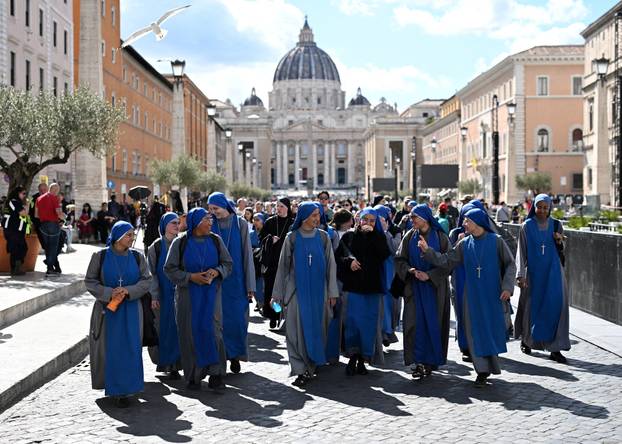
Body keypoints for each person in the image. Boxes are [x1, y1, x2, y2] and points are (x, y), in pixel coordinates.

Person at [418, 208, 516, 387]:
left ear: (477, 222)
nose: (463, 224)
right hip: (471, 297)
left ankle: (489, 366)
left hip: (492, 295)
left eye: (467, 221)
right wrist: (428, 251)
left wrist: (508, 287)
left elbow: (510, 264)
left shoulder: (496, 241)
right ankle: (482, 370)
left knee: (488, 331)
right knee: (473, 331)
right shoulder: (464, 244)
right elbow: (447, 260)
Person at [164, 207, 233, 391]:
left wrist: (216, 271)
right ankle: (193, 376)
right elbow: (169, 269)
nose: (211, 222)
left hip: (212, 295)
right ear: (196, 223)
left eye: (211, 218)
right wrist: (190, 277)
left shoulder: (216, 241)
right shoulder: (181, 243)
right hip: (188, 297)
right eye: (206, 219)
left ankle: (216, 374)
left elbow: (228, 264)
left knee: (214, 332)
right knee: (190, 334)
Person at [271, 202, 339, 387]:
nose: (318, 218)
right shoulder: (291, 238)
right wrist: (277, 294)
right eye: (314, 215)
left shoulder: (324, 237)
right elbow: (283, 267)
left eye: (319, 214)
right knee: (294, 331)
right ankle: (300, 369)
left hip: (320, 293)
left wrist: (332, 292)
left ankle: (311, 364)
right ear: (304, 216)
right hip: (296, 292)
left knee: (318, 328)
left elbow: (331, 266)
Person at [84, 221, 152, 407]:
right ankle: (115, 389)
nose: (132, 238)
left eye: (132, 235)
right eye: (129, 235)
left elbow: (147, 280)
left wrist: (128, 291)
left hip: (131, 310)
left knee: (131, 348)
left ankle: (129, 388)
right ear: (118, 237)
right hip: (108, 312)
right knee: (111, 349)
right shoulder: (100, 256)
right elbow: (90, 281)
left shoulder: (138, 257)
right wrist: (109, 293)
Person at [395, 204, 451, 379]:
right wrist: (410, 271)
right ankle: (418, 362)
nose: (411, 220)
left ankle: (430, 361)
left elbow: (449, 262)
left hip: (435, 289)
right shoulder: (409, 236)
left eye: (414, 217)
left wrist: (430, 275)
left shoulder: (441, 237)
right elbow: (399, 259)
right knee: (414, 324)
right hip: (414, 288)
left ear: (425, 218)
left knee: (434, 324)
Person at [515, 194, 570, 363]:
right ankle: (527, 340)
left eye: (545, 207)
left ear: (549, 208)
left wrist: (560, 241)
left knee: (555, 307)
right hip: (534, 274)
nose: (542, 210)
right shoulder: (527, 226)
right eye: (539, 207)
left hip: (553, 273)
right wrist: (520, 275)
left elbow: (562, 248)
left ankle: (555, 348)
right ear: (534, 207)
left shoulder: (556, 224)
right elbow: (521, 252)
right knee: (532, 307)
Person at [336, 207, 390, 375]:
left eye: (372, 220)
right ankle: (352, 356)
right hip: (353, 287)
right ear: (358, 220)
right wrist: (349, 261)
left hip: (372, 288)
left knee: (368, 324)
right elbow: (339, 257)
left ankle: (363, 358)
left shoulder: (380, 237)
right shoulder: (349, 236)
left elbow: (383, 255)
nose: (367, 223)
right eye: (364, 219)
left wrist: (373, 235)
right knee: (352, 322)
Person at [207, 192, 256, 375]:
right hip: (216, 282)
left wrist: (250, 285)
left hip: (236, 282)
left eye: (216, 208)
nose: (213, 212)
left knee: (237, 321)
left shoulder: (240, 224)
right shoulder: (210, 224)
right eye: (210, 209)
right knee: (219, 322)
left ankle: (235, 356)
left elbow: (247, 256)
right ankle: (222, 358)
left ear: (224, 206)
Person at [147, 212, 183, 380]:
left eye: (178, 223)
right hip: (162, 295)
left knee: (179, 330)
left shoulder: (183, 243)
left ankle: (178, 364)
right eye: (173, 223)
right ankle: (167, 363)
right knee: (164, 330)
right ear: (164, 226)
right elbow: (151, 274)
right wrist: (154, 296)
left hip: (181, 293)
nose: (177, 225)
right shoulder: (156, 247)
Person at [259, 198, 294, 328]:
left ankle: (283, 316)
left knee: (286, 291)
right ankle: (274, 315)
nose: (278, 209)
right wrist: (269, 239)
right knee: (272, 291)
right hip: (272, 263)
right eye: (277, 206)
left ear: (287, 208)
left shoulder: (292, 223)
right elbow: (260, 238)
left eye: (281, 206)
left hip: (287, 262)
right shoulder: (270, 222)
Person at [374, 204, 402, 347]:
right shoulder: (372, 230)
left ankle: (389, 330)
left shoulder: (395, 230)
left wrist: (386, 232)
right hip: (377, 271)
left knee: (391, 303)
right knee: (381, 302)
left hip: (391, 272)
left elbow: (395, 249)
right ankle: (383, 333)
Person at [36, 183, 64, 277]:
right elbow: (59, 213)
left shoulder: (39, 198)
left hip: (42, 225)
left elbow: (36, 214)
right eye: (57, 190)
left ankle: (49, 265)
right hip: (53, 224)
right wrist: (64, 217)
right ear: (55, 189)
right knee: (54, 247)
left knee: (48, 247)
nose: (57, 192)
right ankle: (50, 268)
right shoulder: (54, 198)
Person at [3, 186, 29, 276]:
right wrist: (27, 205)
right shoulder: (13, 201)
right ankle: (15, 269)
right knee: (15, 249)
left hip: (17, 230)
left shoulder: (17, 202)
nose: (24, 196)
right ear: (17, 193)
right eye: (23, 193)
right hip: (12, 230)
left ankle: (17, 267)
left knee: (22, 248)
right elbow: (23, 213)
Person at [250, 212, 266, 312]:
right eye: (254, 220)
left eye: (257, 220)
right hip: (254, 263)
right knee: (255, 284)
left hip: (264, 262)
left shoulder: (266, 233)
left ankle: (264, 304)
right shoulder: (251, 234)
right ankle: (259, 303)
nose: (255, 222)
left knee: (263, 284)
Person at [29, 183, 48, 249]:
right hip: (38, 222)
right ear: (38, 190)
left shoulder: (51, 197)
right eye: (41, 190)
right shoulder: (33, 198)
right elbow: (30, 211)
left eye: (44, 190)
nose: (43, 191)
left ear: (47, 189)